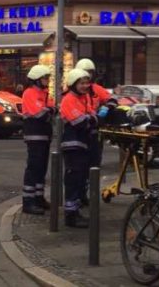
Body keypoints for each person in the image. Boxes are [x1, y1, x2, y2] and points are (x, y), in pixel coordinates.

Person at [75, 58, 118, 205]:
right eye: (85, 73)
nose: (88, 76)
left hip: (95, 132)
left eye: (90, 73)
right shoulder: (74, 91)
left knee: (94, 165)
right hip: (81, 132)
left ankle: (86, 194)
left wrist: (107, 108)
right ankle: (78, 195)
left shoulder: (96, 89)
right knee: (79, 167)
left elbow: (112, 99)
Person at [61, 68, 96, 228]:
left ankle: (74, 212)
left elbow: (92, 118)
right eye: (81, 83)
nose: (85, 86)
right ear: (73, 84)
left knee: (79, 179)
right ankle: (71, 216)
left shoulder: (82, 98)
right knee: (73, 180)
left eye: (86, 83)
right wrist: (91, 119)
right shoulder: (69, 99)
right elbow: (81, 122)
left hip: (81, 145)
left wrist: (91, 118)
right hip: (72, 146)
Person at [21, 65, 54, 215]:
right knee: (34, 168)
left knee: (41, 168)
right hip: (34, 135)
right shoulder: (30, 93)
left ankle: (38, 197)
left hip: (44, 135)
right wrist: (50, 110)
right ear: (36, 79)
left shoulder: (44, 93)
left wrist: (50, 110)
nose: (47, 80)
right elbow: (41, 113)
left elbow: (52, 109)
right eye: (45, 78)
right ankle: (28, 202)